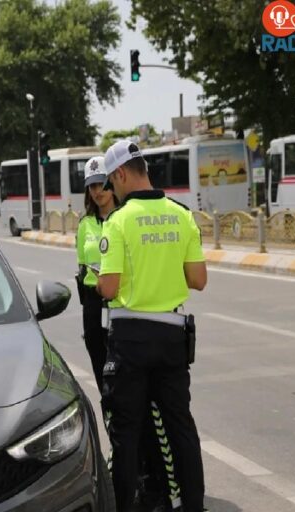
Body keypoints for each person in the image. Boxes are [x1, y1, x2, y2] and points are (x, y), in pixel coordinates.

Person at [96, 141, 208, 512]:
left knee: (126, 434)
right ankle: (193, 506)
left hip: (130, 339)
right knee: (181, 428)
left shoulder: (119, 221)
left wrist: (102, 281)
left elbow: (109, 287)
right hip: (172, 336)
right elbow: (198, 279)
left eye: (111, 182)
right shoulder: (182, 215)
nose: (111, 190)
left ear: (121, 173)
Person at [75, 156, 117, 391]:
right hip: (92, 302)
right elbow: (81, 266)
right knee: (100, 365)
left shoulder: (124, 217)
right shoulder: (84, 224)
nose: (97, 191)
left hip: (120, 299)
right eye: (92, 186)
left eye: (101, 184)